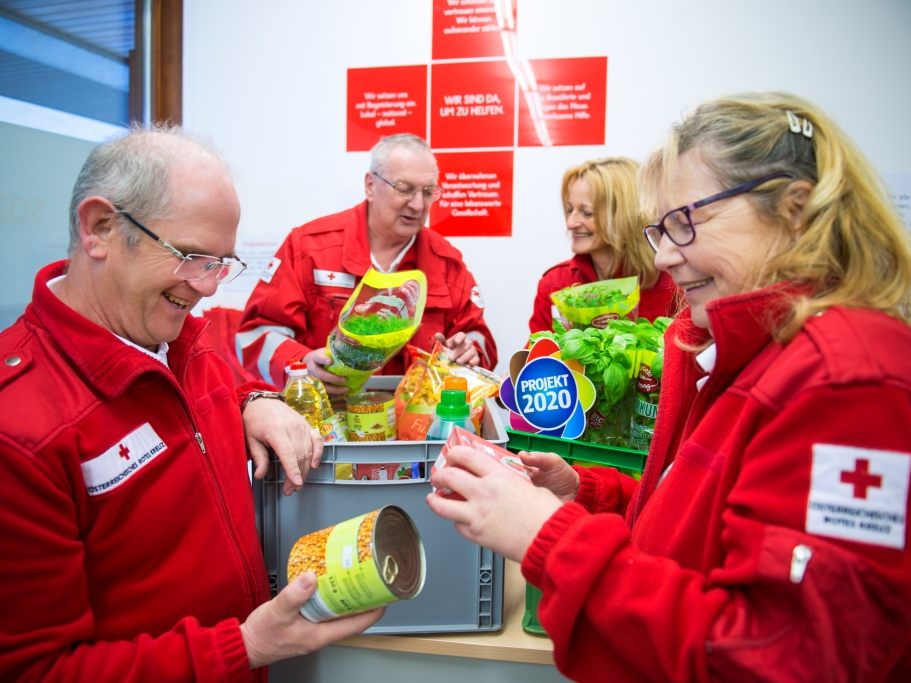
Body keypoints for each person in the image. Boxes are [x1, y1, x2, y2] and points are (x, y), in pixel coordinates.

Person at [428, 92, 911, 682]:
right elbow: (700, 526)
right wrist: (584, 491)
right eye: (659, 230)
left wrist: (545, 533)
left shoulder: (847, 386)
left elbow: (786, 661)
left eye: (685, 222)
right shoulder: (755, 354)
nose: (666, 258)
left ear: (795, 211)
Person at [0, 126, 381, 682]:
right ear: (100, 228)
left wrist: (257, 401)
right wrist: (244, 645)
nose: (207, 287)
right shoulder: (22, 429)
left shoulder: (179, 334)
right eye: (192, 256)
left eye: (222, 262)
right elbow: (38, 671)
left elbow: (198, 402)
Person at [237, 133, 498, 393]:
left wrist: (469, 352)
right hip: (324, 419)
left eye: (428, 192)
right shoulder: (309, 247)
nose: (418, 204)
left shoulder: (446, 263)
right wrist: (300, 364)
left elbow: (478, 338)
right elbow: (257, 335)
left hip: (413, 425)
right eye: (404, 189)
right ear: (370, 186)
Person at [528, 157, 678, 333]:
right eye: (570, 210)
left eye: (587, 213)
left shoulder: (673, 282)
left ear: (623, 216)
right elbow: (535, 356)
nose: (570, 223)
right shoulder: (556, 283)